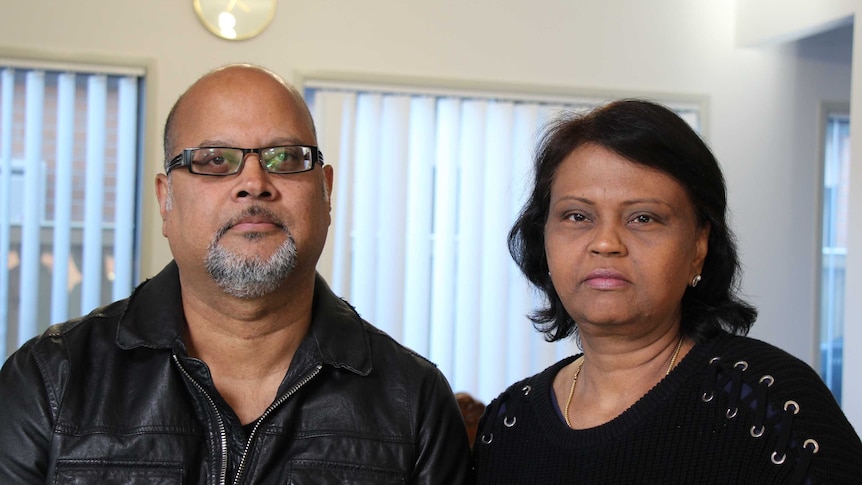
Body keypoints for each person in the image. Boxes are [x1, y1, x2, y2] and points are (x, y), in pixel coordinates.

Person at [0, 64, 472, 484]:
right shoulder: (49, 380)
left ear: (325, 193)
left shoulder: (415, 402)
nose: (254, 183)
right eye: (214, 160)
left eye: (285, 158)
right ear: (166, 200)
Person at [472, 99, 862, 484]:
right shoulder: (508, 422)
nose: (606, 243)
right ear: (543, 238)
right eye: (577, 216)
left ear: (698, 247)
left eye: (644, 218)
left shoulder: (768, 406)